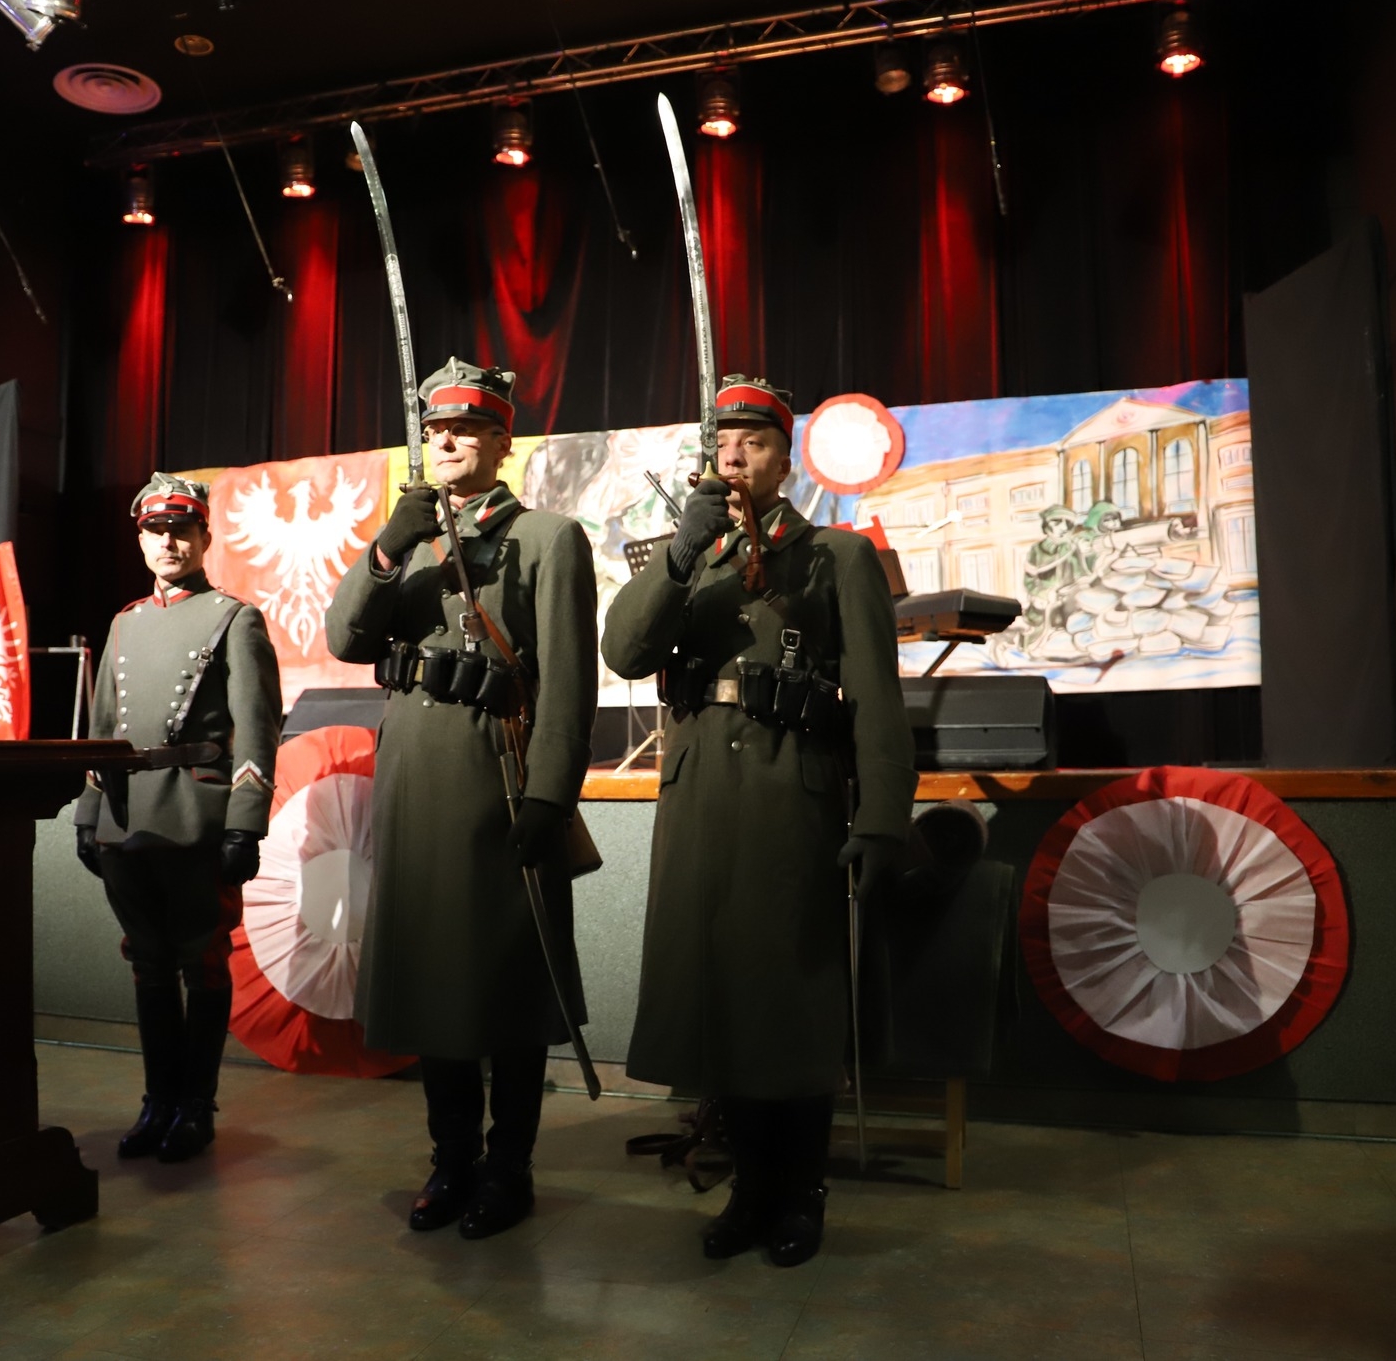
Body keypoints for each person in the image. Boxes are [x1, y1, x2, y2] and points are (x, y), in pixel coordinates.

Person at [602, 375, 916, 1268]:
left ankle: (801, 1191)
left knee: (791, 1003)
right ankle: (748, 1186)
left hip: (792, 794)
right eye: (724, 442)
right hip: (701, 797)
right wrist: (677, 557)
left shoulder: (834, 556)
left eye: (757, 442)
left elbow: (878, 701)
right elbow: (623, 651)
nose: (736, 455)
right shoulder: (691, 557)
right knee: (723, 1002)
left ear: (786, 461)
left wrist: (883, 817)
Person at [324, 357, 599, 1240]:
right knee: (434, 984)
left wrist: (550, 794)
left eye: (467, 428)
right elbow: (344, 638)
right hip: (414, 782)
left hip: (498, 778)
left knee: (508, 988)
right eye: (435, 430)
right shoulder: (408, 543)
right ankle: (451, 1160)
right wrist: (385, 550)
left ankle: (508, 1167)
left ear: (500, 439)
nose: (446, 442)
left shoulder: (548, 538)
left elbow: (568, 683)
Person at [73, 473, 282, 1163]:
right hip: (126, 816)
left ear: (204, 537)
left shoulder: (234, 618)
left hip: (195, 815)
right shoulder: (125, 622)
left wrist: (245, 822)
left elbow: (257, 730)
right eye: (156, 530)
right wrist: (88, 812)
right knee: (149, 965)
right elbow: (103, 724)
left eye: (182, 529)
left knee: (202, 961)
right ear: (140, 540)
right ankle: (157, 1102)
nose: (169, 542)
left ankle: (196, 1107)